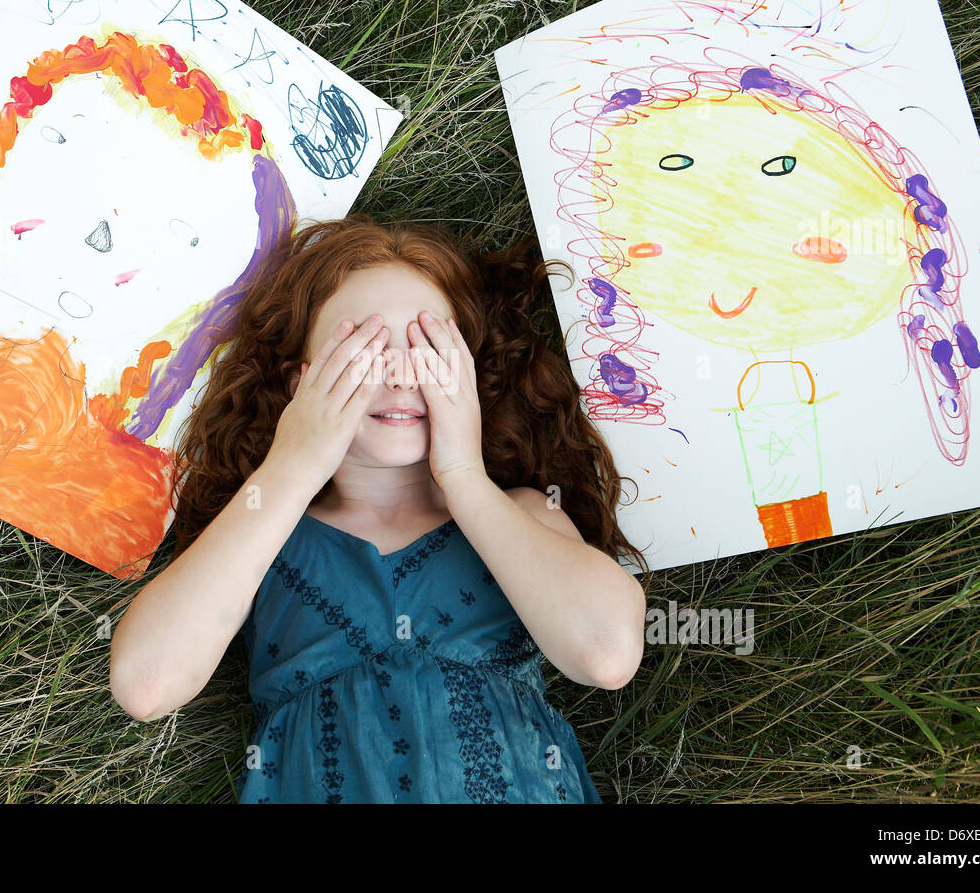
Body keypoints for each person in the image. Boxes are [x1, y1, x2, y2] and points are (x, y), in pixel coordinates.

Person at [109, 214, 650, 802]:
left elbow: (608, 654)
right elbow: (145, 685)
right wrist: (290, 469)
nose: (397, 376)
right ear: (300, 383)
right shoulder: (262, 533)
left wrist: (465, 476)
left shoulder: (521, 514)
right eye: (361, 350)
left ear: (466, 375)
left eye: (428, 351)